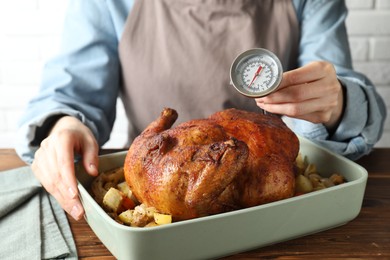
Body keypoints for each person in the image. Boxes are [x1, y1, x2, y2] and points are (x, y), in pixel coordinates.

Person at [16, 0, 386, 221]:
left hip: (275, 205)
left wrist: (339, 104)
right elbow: (72, 93)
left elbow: (342, 85)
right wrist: (63, 125)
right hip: (153, 175)